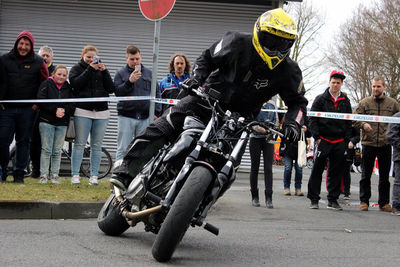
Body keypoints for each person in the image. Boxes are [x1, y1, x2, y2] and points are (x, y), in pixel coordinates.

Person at [110, 8, 308, 191]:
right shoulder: (237, 41)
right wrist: (196, 79)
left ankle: (202, 203)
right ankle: (126, 170)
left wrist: (293, 123)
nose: (275, 47)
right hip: (207, 98)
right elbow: (207, 58)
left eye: (282, 42)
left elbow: (298, 102)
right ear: (258, 32)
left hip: (241, 119)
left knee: (231, 165)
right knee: (168, 123)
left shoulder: (289, 70)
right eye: (271, 40)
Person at [0, 30, 49, 183]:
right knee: (2, 141)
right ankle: (2, 172)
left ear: (31, 46)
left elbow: (45, 84)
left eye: (27, 44)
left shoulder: (39, 62)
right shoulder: (4, 60)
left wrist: (37, 104)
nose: (23, 47)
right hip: (5, 109)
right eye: (21, 43)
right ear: (16, 44)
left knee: (23, 141)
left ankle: (19, 175)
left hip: (28, 110)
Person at [68, 45, 115, 185]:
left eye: (93, 57)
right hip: (82, 111)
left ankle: (94, 176)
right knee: (80, 143)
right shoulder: (77, 68)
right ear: (83, 56)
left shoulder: (101, 70)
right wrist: (89, 69)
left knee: (96, 145)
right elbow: (76, 84)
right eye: (88, 57)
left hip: (101, 112)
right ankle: (75, 175)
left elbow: (111, 89)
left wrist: (105, 71)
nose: (91, 60)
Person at [353, 76, 400, 212]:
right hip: (368, 143)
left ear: (384, 87)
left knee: (385, 176)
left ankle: (384, 203)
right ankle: (364, 201)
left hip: (385, 144)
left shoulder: (393, 103)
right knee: (365, 175)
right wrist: (363, 124)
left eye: (378, 86)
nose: (375, 89)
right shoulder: (364, 103)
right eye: (374, 86)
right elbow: (353, 119)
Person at [307, 70, 352, 210]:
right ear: (329, 82)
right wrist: (317, 138)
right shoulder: (320, 99)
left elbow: (349, 122)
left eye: (338, 83)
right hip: (323, 140)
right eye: (333, 82)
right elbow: (312, 119)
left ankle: (333, 199)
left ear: (341, 84)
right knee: (317, 170)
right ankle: (314, 198)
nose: (335, 85)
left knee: (336, 171)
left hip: (339, 142)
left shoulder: (346, 101)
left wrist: (346, 141)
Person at [114, 45, 162, 162]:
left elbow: (157, 92)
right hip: (126, 116)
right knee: (123, 148)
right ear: (126, 59)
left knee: (143, 148)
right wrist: (129, 82)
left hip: (145, 117)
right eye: (132, 59)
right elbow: (118, 93)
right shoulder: (120, 73)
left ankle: (138, 177)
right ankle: (118, 174)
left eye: (137, 58)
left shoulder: (150, 73)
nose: (135, 61)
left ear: (141, 58)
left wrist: (156, 112)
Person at [36, 65, 75, 184]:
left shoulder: (68, 88)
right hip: (46, 121)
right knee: (46, 149)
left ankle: (54, 176)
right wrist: (55, 110)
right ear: (53, 74)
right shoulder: (46, 84)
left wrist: (64, 111)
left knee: (57, 150)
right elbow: (41, 100)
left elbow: (72, 105)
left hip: (62, 123)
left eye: (64, 75)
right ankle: (43, 175)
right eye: (59, 74)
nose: (61, 77)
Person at [30, 45, 56, 178]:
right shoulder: (34, 67)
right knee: (34, 141)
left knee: (48, 143)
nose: (45, 58)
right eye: (42, 55)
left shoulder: (56, 71)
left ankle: (48, 170)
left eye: (47, 55)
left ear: (51, 57)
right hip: (35, 110)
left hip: (49, 112)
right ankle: (35, 170)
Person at [249, 100, 277, 208]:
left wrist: (272, 129)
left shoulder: (272, 104)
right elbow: (252, 122)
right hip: (255, 138)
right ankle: (254, 196)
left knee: (268, 169)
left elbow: (276, 120)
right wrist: (263, 129)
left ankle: (269, 197)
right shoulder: (255, 101)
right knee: (254, 168)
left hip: (268, 140)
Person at [281, 116, 310, 197]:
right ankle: (286, 187)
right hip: (288, 147)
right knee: (288, 168)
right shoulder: (288, 116)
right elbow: (282, 133)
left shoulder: (305, 118)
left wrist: (306, 130)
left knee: (299, 169)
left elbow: (310, 133)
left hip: (299, 148)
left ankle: (298, 188)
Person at [341, 126, 360, 200]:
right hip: (336, 146)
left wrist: (352, 141)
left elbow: (358, 136)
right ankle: (334, 191)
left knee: (346, 171)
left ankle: (346, 192)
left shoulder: (353, 121)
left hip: (348, 149)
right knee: (334, 171)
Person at [386, 112, 400, 216]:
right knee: (398, 182)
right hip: (399, 154)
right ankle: (396, 206)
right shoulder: (397, 117)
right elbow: (390, 135)